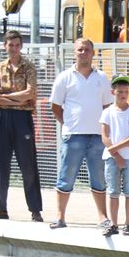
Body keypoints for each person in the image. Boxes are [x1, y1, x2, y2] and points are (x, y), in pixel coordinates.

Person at [49, 37, 112, 230]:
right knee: (66, 176)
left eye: (87, 50)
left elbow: (107, 106)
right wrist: (67, 124)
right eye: (80, 50)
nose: (83, 53)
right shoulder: (64, 77)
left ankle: (103, 217)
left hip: (96, 136)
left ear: (93, 53)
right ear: (74, 52)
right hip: (73, 135)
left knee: (99, 178)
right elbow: (55, 106)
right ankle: (60, 217)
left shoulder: (101, 77)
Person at [0, 29, 42, 222]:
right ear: (5, 46)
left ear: (21, 46)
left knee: (28, 164)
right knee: (2, 164)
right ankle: (2, 209)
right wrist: (13, 101)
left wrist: (5, 97)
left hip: (22, 119)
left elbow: (29, 93)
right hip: (3, 118)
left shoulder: (29, 67)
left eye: (17, 45)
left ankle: (35, 210)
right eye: (10, 45)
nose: (14, 48)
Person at [99, 74, 129, 236]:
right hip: (112, 158)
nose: (123, 95)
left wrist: (115, 149)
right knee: (113, 191)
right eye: (119, 92)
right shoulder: (107, 112)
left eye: (126, 92)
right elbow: (105, 136)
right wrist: (116, 155)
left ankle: (128, 224)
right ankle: (113, 224)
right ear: (113, 93)